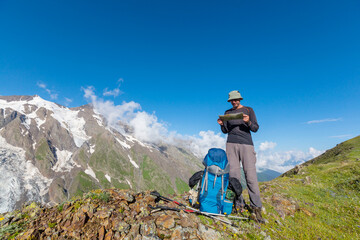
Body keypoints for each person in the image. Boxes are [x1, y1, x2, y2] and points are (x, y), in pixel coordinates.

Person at [217, 90, 265, 223]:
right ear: (230, 101)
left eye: (236, 99)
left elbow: (255, 128)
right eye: (232, 100)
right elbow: (226, 131)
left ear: (240, 99)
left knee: (250, 176)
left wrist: (248, 121)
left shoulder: (249, 110)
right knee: (234, 177)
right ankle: (238, 205)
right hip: (231, 144)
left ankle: (256, 208)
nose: (234, 101)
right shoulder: (227, 113)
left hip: (246, 145)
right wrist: (221, 125)